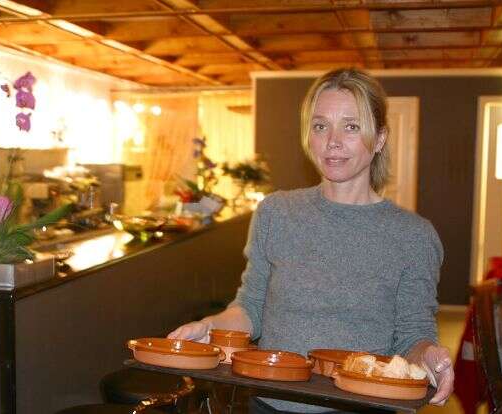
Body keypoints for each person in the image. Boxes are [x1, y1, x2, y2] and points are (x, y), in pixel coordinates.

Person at [168, 68, 454, 413]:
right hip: (268, 403)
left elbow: (412, 335)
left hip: (361, 408)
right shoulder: (276, 212)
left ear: (380, 138)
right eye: (320, 126)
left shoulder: (413, 236)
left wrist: (429, 355)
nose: (332, 141)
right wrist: (210, 327)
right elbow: (251, 307)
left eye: (351, 126)